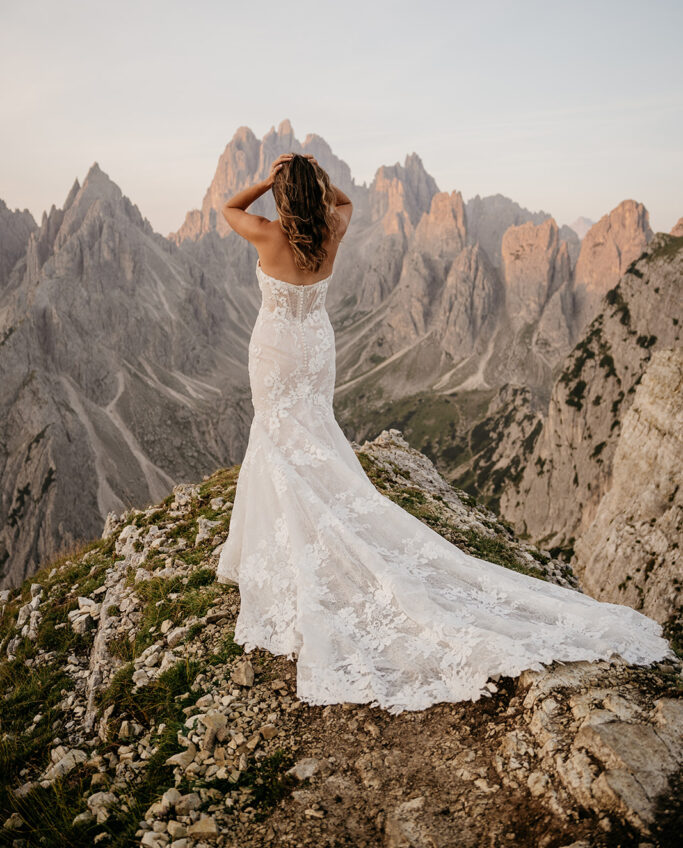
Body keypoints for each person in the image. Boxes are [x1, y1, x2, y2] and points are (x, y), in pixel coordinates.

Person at [215, 152, 675, 715]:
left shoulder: (268, 235)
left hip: (277, 350)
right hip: (316, 349)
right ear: (316, 193)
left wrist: (269, 178)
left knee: (277, 436)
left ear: (283, 197)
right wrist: (315, 179)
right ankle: (311, 520)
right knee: (312, 430)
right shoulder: (332, 230)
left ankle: (278, 544)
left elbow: (228, 207)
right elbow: (346, 201)